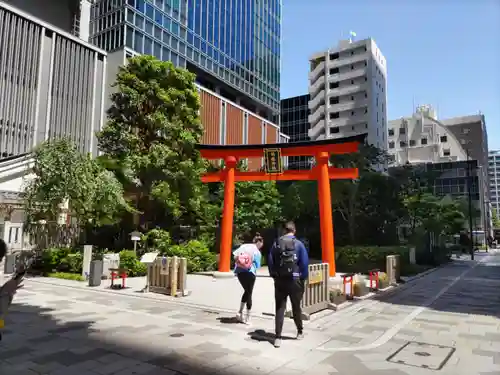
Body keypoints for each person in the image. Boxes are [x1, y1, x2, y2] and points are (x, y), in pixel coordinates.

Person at [268, 221, 309, 348]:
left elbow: (270, 261)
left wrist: (275, 276)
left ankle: (278, 337)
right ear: (294, 230)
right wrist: (302, 278)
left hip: (280, 280)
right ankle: (300, 331)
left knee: (280, 308)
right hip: (295, 280)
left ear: (284, 230)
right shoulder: (299, 244)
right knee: (296, 306)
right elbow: (304, 264)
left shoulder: (276, 243)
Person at [233, 233, 263, 324]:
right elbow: (257, 266)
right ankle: (247, 317)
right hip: (250, 273)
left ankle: (240, 312)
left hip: (239, 272)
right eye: (262, 243)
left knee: (246, 291)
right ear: (259, 242)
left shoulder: (244, 246)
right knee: (249, 293)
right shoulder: (257, 252)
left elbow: (234, 256)